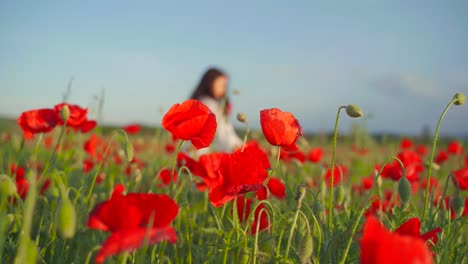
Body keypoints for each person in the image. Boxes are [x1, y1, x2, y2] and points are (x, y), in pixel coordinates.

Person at [190, 67, 242, 154]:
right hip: (204, 154)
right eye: (222, 85)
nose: (224, 89)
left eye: (225, 86)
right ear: (210, 83)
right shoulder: (210, 105)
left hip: (195, 152)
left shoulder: (198, 103)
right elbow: (222, 133)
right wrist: (239, 146)